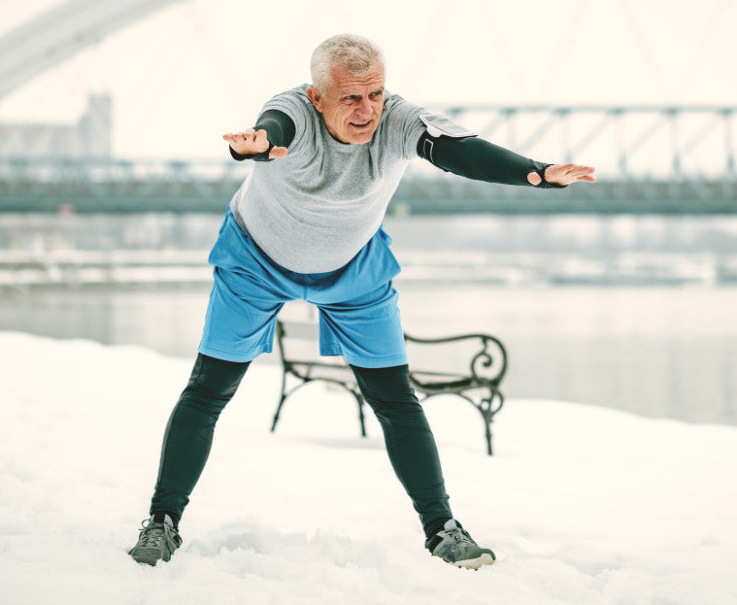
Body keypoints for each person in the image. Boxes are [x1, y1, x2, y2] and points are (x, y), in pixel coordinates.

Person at [128, 34, 595, 569]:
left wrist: (533, 172)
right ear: (317, 96)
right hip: (255, 262)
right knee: (209, 389)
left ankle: (442, 529)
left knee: (395, 399)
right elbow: (272, 129)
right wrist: (254, 145)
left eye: (375, 92)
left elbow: (454, 150)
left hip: (354, 270)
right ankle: (162, 523)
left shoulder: (397, 119)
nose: (367, 109)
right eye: (350, 97)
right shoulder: (292, 113)